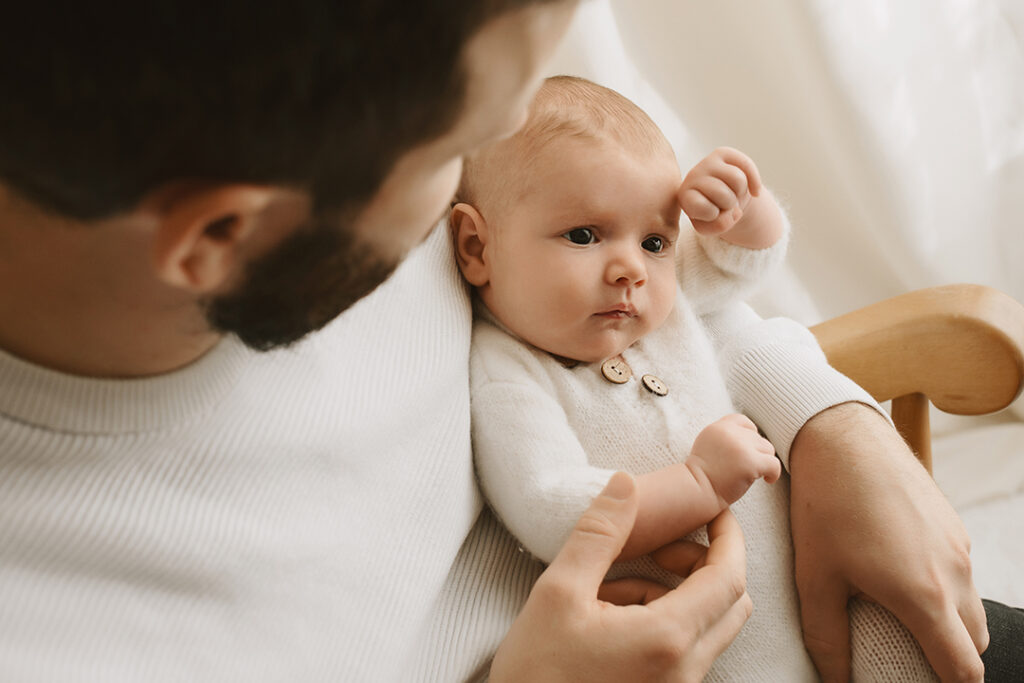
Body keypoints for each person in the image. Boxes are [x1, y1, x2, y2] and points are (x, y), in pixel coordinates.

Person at [0, 2, 999, 681]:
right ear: (221, 234)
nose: (506, 149)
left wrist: (833, 420)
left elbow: (681, 307)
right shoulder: (56, 629)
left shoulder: (382, 115)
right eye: (458, 153)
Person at [452, 74, 949, 680]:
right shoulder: (508, 373)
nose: (630, 269)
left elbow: (740, 265)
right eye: (583, 235)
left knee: (918, 644)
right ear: (477, 247)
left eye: (656, 240)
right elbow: (551, 510)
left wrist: (743, 210)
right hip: (700, 652)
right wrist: (697, 481)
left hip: (816, 597)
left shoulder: (656, 312)